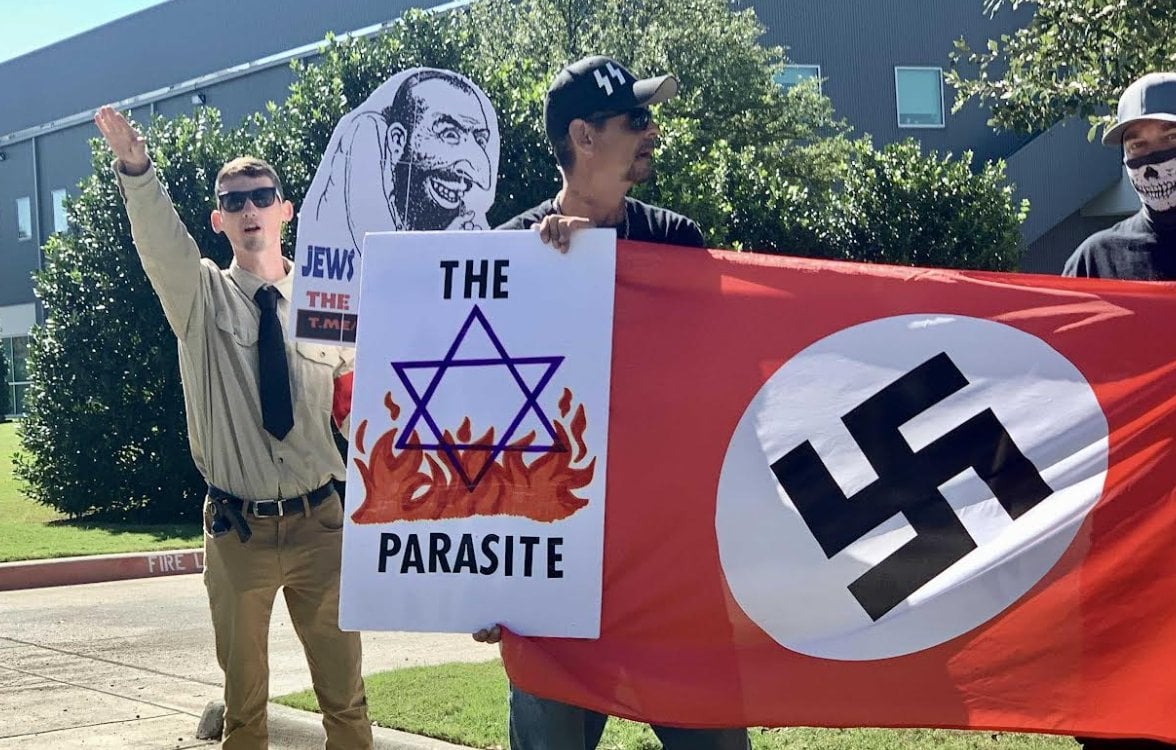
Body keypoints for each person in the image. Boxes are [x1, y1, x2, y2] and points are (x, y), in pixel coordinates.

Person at [476, 56, 749, 750]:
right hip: (551, 568)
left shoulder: (679, 244)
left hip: (670, 566)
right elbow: (475, 424)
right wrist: (477, 578)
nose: (652, 130)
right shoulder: (505, 255)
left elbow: (713, 392)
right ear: (584, 137)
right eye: (635, 119)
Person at [95, 105, 373, 750]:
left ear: (285, 209)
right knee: (244, 712)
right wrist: (137, 171)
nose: (250, 209)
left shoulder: (327, 301)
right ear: (220, 221)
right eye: (234, 201)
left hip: (323, 525)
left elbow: (357, 399)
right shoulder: (200, 298)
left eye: (261, 197)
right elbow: (160, 242)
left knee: (347, 704)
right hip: (238, 532)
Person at [1064, 71, 1176, 750]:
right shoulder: (1097, 260)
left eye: (1169, 138)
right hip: (1125, 543)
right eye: (1137, 143)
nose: (1152, 157)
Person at [312, 69, 495, 250]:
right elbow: (380, 257)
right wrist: (442, 250)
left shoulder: (449, 212)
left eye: (479, 141)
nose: (475, 172)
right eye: (449, 134)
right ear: (397, 140)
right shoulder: (367, 134)